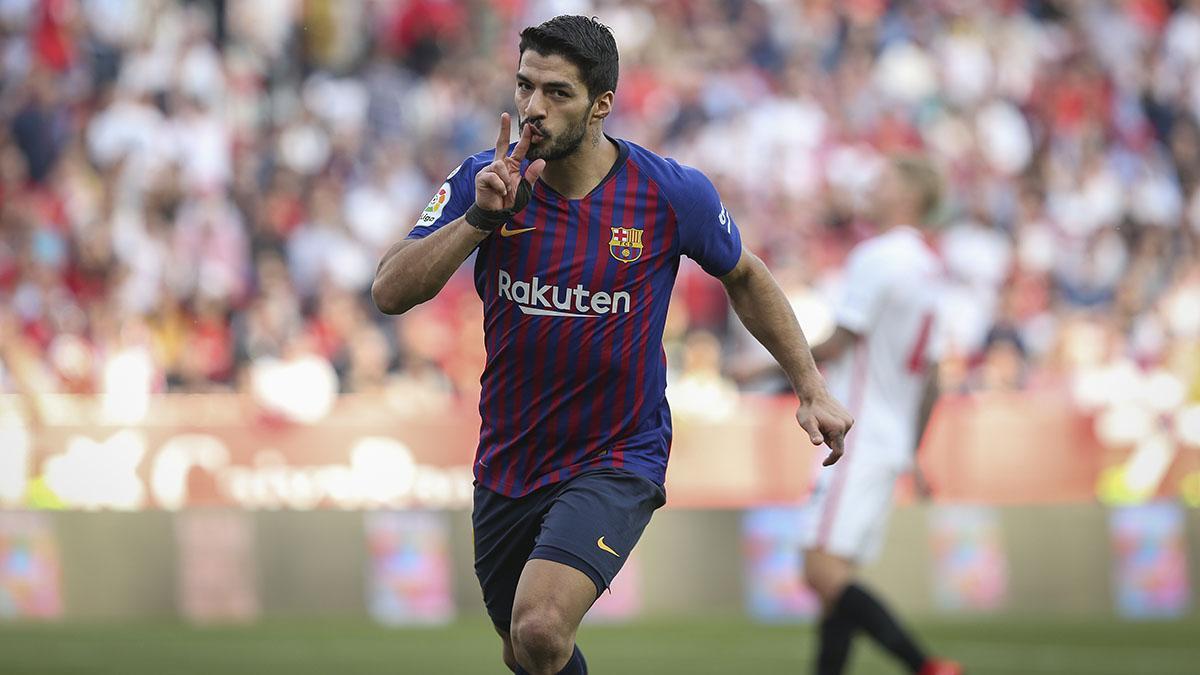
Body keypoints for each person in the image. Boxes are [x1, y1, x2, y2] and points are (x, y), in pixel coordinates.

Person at [371, 15, 853, 675]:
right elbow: (390, 291)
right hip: (509, 459)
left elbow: (744, 272)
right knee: (526, 651)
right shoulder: (482, 179)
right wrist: (481, 219)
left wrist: (811, 385)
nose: (534, 108)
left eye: (557, 92)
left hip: (616, 454)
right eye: (525, 85)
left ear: (601, 105)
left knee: (539, 626)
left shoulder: (668, 193)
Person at [800, 156, 962, 675]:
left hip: (855, 433)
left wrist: (760, 363)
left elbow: (841, 338)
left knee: (819, 569)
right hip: (890, 441)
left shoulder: (877, 256)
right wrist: (914, 450)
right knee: (836, 582)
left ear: (909, 197)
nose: (871, 186)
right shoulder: (929, 267)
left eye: (885, 180)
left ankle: (926, 665)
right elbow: (933, 374)